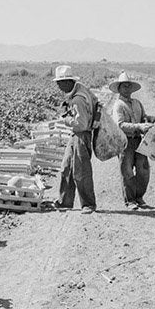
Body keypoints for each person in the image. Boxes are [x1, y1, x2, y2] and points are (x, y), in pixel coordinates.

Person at [109, 71, 155, 209]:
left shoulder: (137, 103)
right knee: (127, 171)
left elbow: (143, 117)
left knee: (143, 169)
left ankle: (139, 196)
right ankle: (130, 200)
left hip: (139, 140)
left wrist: (150, 121)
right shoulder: (118, 105)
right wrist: (139, 126)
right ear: (119, 88)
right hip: (125, 141)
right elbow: (120, 125)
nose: (127, 89)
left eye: (128, 86)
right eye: (124, 86)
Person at [52, 64, 98, 214]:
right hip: (76, 135)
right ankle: (65, 201)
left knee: (81, 170)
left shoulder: (78, 99)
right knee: (67, 167)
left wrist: (65, 120)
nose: (58, 86)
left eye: (60, 83)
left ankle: (88, 204)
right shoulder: (81, 90)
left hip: (81, 135)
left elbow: (81, 124)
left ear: (67, 82)